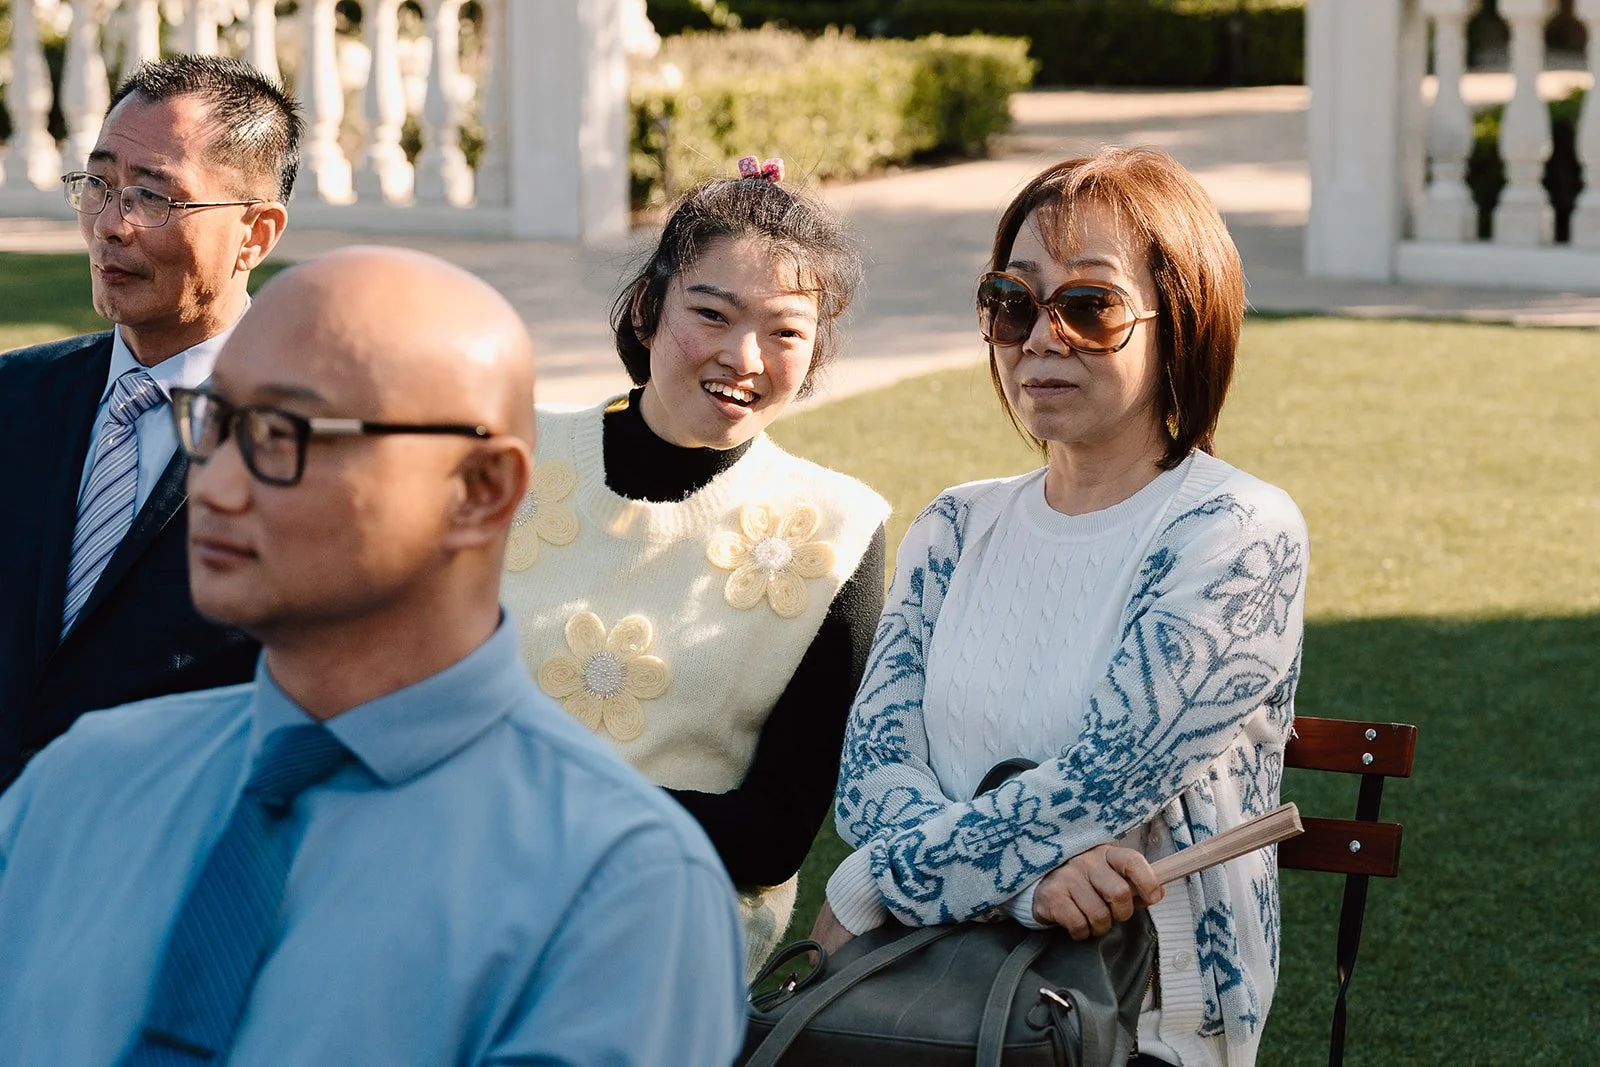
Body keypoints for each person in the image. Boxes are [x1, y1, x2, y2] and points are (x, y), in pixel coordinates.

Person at [0, 246, 747, 1067]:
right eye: (211, 420)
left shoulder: (614, 885)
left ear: (480, 488)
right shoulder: (75, 787)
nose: (213, 483)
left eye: (281, 432)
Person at [816, 147, 1309, 1067]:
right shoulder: (955, 525)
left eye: (1089, 306)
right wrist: (1020, 887)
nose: (1041, 336)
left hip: (1136, 1019)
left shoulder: (1236, 532)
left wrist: (878, 879)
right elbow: (871, 780)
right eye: (1011, 301)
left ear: (1184, 323)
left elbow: (1098, 788)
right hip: (920, 989)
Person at [500, 167, 890, 974]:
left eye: (785, 331)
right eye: (710, 313)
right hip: (455, 895)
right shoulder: (511, 452)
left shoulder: (839, 530)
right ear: (647, 308)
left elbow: (777, 831)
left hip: (659, 942)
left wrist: (545, 816)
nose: (743, 357)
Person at [0, 54, 297, 790]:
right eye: (97, 185)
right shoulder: (15, 395)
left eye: (153, 198)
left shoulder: (310, 440)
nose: (110, 225)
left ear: (255, 236)